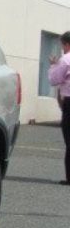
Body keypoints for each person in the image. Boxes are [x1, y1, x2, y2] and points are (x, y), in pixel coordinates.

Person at [48, 31, 70, 185]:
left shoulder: (66, 60)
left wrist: (52, 66)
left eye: (62, 45)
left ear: (66, 44)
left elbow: (54, 79)